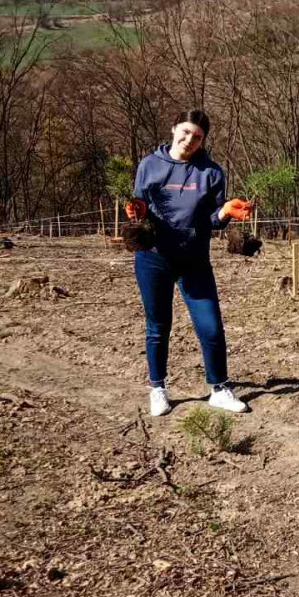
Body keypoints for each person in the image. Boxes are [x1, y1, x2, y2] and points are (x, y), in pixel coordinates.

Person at [125, 109, 253, 418]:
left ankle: (219, 389)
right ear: (173, 129)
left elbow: (211, 220)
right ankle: (158, 388)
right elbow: (139, 205)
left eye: (197, 137)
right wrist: (135, 212)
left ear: (203, 140)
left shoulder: (211, 172)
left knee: (210, 326)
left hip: (194, 260)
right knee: (158, 325)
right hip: (153, 258)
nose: (189, 140)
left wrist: (226, 213)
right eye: (185, 132)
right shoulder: (150, 165)